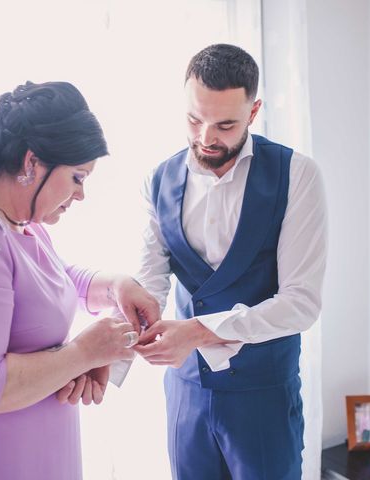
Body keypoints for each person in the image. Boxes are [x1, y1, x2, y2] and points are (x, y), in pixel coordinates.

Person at [0, 80, 159, 480]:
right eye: (77, 177)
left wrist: (114, 287)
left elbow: (45, 281)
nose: (81, 195)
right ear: (32, 162)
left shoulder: (16, 220)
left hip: (30, 455)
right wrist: (83, 354)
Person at [133, 44, 328, 479]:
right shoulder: (157, 180)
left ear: (254, 111)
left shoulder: (297, 175)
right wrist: (111, 351)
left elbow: (301, 303)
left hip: (263, 396)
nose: (206, 138)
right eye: (194, 119)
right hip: (186, 394)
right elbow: (149, 284)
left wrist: (199, 331)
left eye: (225, 124)